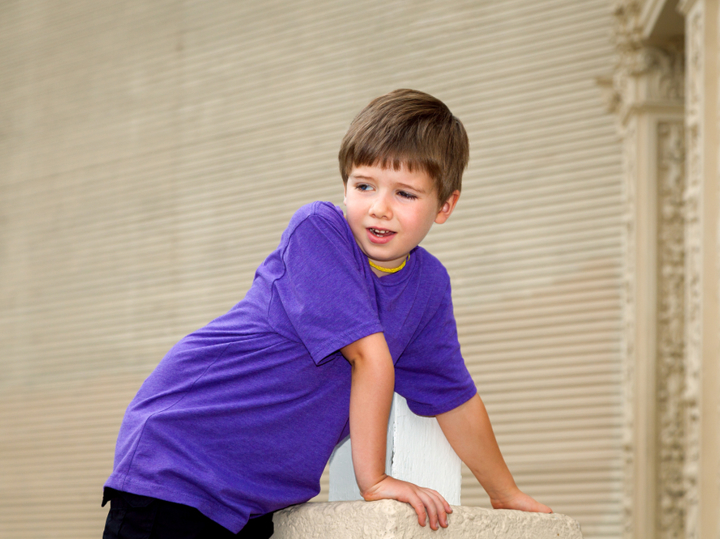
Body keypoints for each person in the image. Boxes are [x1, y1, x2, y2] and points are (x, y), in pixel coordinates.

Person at [102, 88, 552, 539]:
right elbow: (370, 358)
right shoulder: (318, 231)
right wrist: (373, 481)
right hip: (182, 459)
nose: (380, 207)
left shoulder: (427, 287)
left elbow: (454, 397)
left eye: (405, 194)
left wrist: (504, 492)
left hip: (255, 501)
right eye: (364, 186)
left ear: (446, 206)